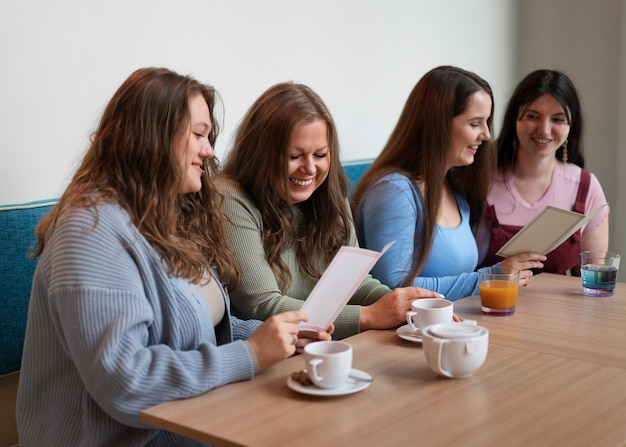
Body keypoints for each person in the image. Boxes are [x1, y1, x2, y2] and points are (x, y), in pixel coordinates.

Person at [16, 68, 331, 447]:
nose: (209, 150)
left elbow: (195, 331)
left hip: (202, 424)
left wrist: (281, 337)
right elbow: (126, 382)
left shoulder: (165, 218)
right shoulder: (90, 233)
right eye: (198, 134)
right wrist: (249, 354)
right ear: (152, 138)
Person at [217, 81, 451, 341]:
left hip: (323, 347)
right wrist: (369, 316)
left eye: (320, 155)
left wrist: (409, 307)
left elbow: (355, 284)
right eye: (295, 156)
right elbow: (262, 307)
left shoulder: (327, 194)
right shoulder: (230, 197)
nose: (310, 168)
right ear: (260, 155)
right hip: (267, 358)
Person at [350, 66, 546, 301]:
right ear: (438, 125)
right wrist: (491, 277)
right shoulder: (395, 190)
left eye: (486, 123)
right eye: (475, 124)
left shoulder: (454, 187)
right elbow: (394, 287)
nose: (485, 135)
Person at [475, 69, 609, 274]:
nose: (544, 130)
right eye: (532, 116)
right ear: (514, 118)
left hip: (558, 308)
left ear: (571, 125)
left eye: (557, 119)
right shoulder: (479, 178)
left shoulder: (586, 187)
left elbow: (592, 283)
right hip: (486, 305)